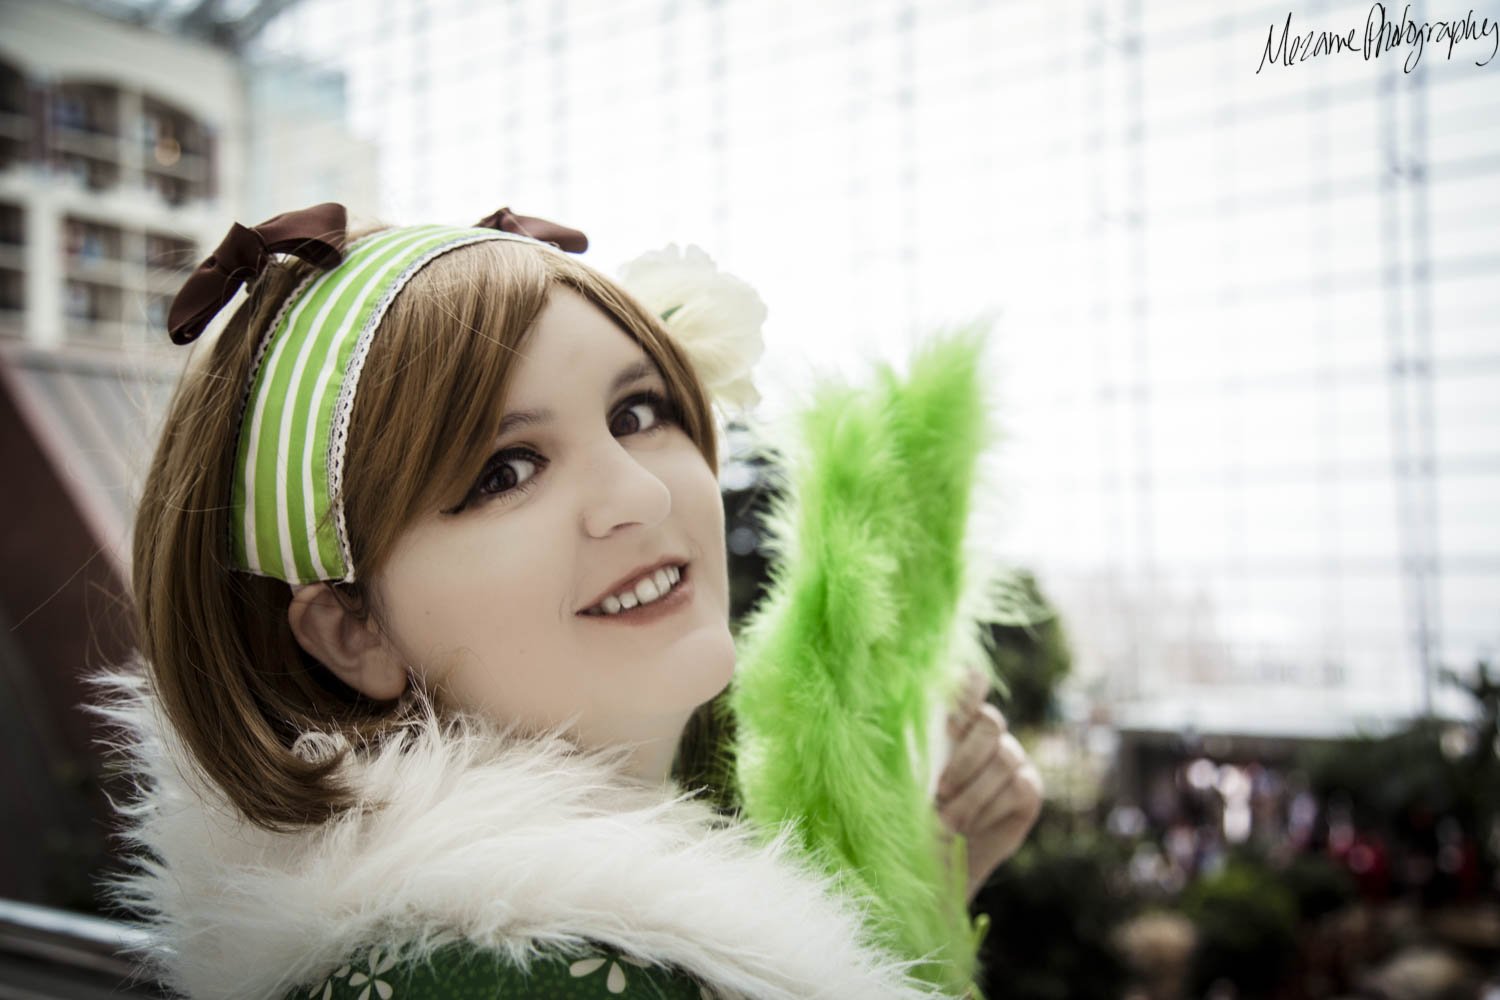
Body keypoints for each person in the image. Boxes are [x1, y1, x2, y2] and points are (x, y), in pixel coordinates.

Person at [96, 203, 1042, 1000]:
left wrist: (919, 899)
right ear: (353, 630)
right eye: (506, 471)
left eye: (639, 412)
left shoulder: (538, 938)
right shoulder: (507, 976)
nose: (640, 492)